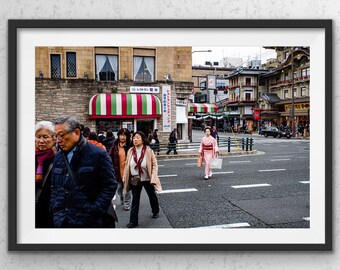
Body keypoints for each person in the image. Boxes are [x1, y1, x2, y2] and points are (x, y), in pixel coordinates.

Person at [50, 115, 117, 228]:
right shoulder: (58, 156)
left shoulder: (98, 154)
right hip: (63, 220)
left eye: (61, 135)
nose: (58, 140)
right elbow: (55, 187)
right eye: (55, 136)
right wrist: (55, 209)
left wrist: (95, 210)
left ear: (76, 133)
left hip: (90, 221)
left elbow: (110, 185)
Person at [122, 131, 162, 228]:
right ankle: (133, 221)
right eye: (134, 138)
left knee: (152, 195)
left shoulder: (148, 151)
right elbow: (127, 164)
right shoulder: (131, 151)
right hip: (135, 179)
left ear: (143, 140)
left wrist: (153, 176)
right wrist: (125, 177)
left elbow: (154, 164)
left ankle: (155, 211)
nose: (135, 139)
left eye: (138, 138)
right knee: (135, 200)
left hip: (147, 178)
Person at [35, 121, 57, 228]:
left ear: (54, 138)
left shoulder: (59, 158)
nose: (41, 141)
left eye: (45, 137)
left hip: (51, 210)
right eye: (38, 137)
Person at [109, 128, 132, 211]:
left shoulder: (130, 145)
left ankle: (127, 203)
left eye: (124, 135)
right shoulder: (115, 145)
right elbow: (109, 157)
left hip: (127, 172)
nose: (122, 137)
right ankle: (122, 198)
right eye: (121, 135)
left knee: (127, 189)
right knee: (119, 188)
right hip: (117, 171)